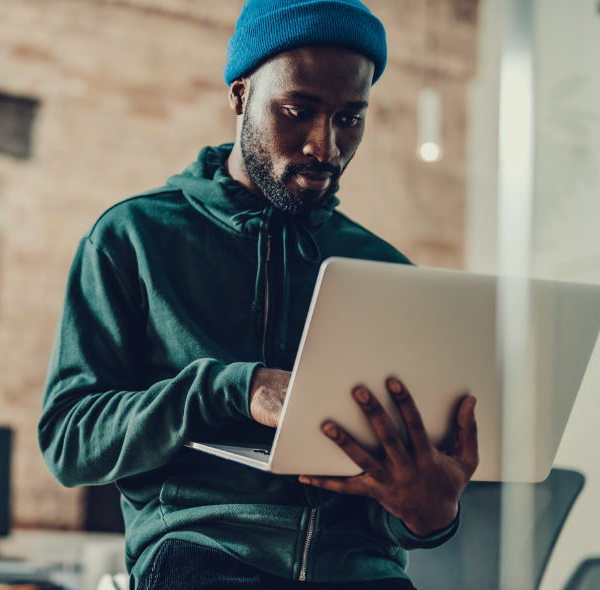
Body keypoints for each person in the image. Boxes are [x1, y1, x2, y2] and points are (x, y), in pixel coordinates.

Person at [38, 0, 479, 588]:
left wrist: (428, 516)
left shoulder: (386, 271)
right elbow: (70, 440)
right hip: (204, 552)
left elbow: (398, 506)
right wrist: (237, 388)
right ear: (240, 96)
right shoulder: (134, 238)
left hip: (362, 569)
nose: (325, 147)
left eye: (350, 118)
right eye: (298, 111)